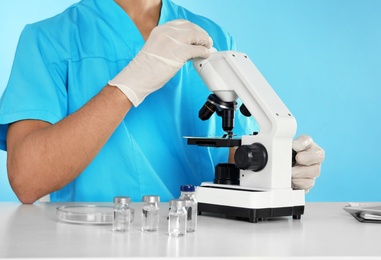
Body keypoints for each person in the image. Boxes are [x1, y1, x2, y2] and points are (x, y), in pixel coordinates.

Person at [0, 0, 325, 204]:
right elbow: (28, 180)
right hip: (92, 242)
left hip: (203, 239)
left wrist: (278, 169)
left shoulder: (213, 39)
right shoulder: (49, 39)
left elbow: (238, 156)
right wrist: (127, 86)